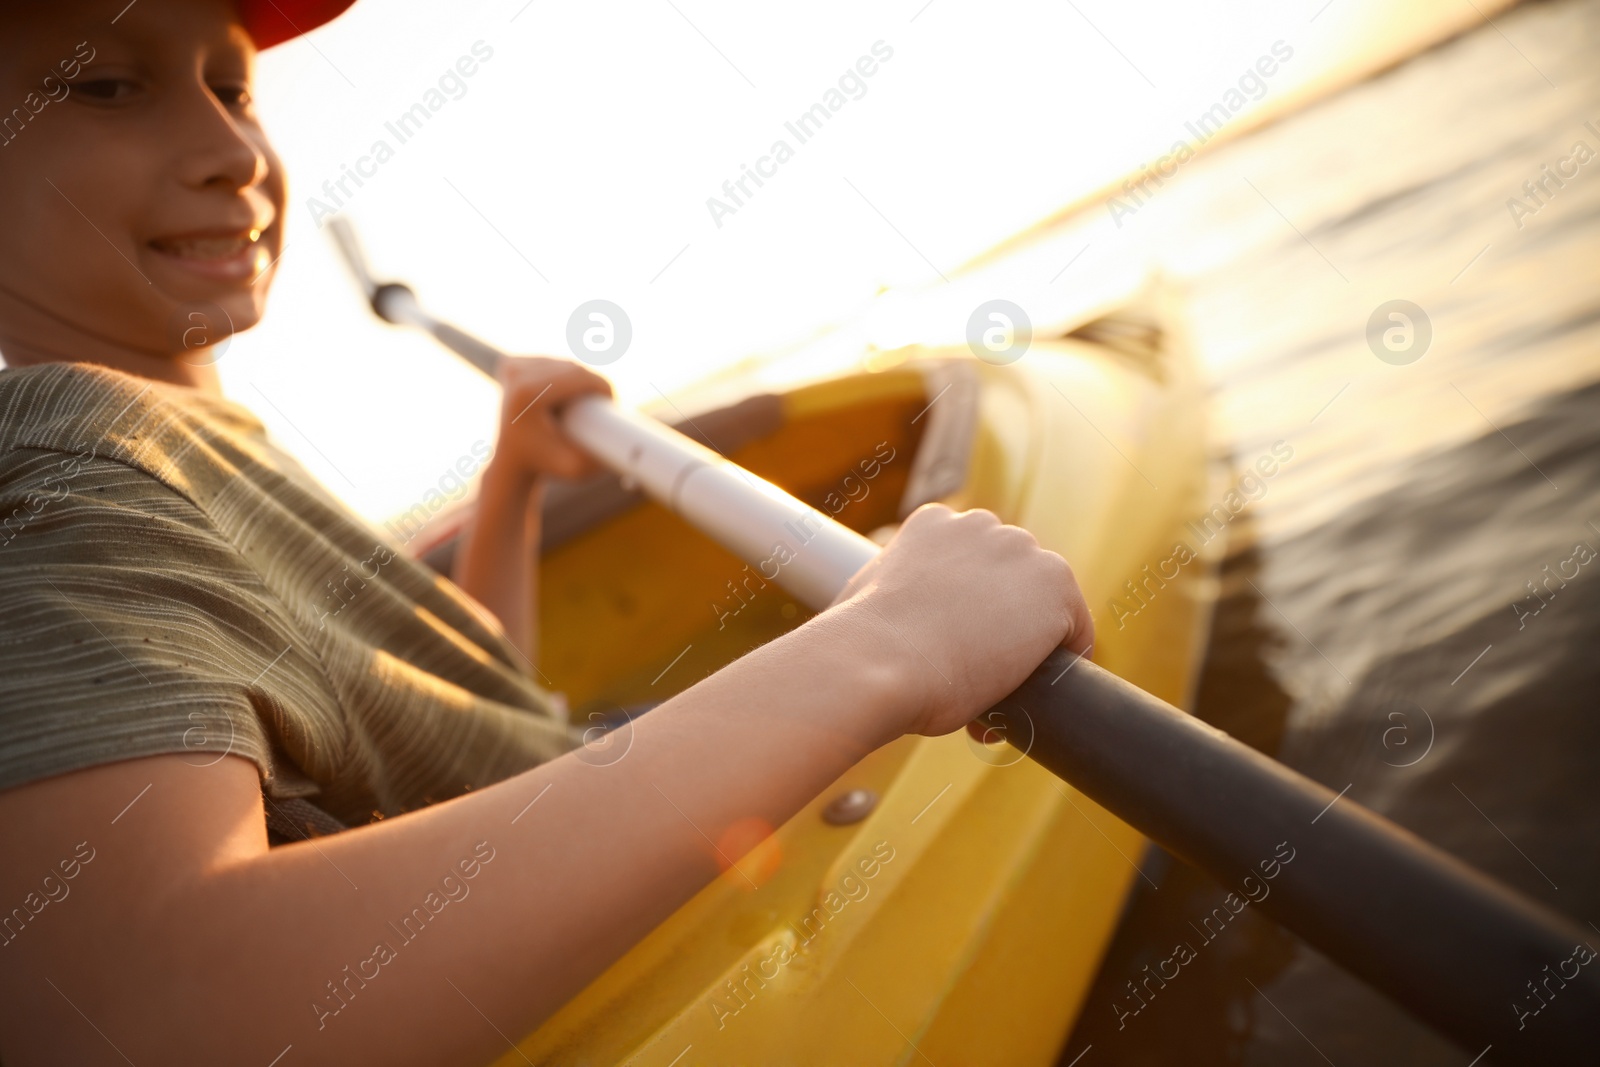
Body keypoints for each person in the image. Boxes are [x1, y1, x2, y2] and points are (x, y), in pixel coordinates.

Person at [0, 1, 1094, 1064]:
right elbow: (140, 1007)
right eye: (107, 85)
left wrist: (511, 478)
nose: (231, 147)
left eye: (232, 87)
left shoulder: (170, 435)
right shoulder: (78, 468)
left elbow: (460, 712)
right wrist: (888, 642)